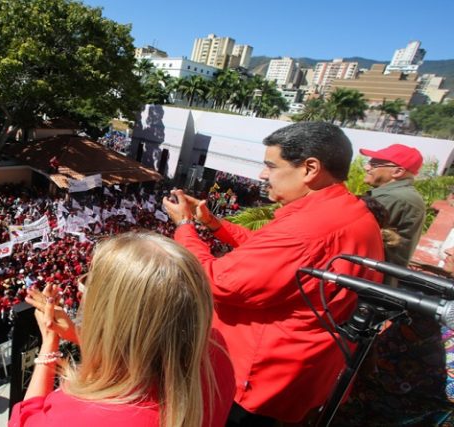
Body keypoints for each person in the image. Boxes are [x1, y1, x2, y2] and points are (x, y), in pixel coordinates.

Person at [162, 121, 385, 425]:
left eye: (271, 165)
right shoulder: (347, 213)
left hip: (258, 380)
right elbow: (272, 253)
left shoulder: (309, 228)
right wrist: (215, 224)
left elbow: (216, 281)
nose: (262, 175)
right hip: (300, 372)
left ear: (310, 168)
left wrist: (185, 228)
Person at [9, 232, 235, 427]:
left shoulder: (80, 416)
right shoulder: (216, 357)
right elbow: (145, 354)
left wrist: (49, 341)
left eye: (90, 283)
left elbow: (26, 417)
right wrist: (79, 336)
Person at [360, 144, 425, 267]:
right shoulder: (399, 194)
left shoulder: (392, 198)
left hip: (370, 277)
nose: (366, 167)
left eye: (374, 164)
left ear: (398, 171)